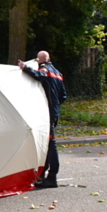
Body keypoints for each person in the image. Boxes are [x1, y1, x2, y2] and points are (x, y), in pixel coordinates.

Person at [18, 51, 68, 188]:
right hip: (55, 112)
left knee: (51, 145)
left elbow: (39, 75)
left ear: (39, 60)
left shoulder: (44, 69)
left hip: (48, 114)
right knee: (47, 144)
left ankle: (52, 177)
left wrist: (25, 68)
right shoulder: (58, 73)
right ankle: (43, 175)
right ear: (49, 58)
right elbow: (64, 96)